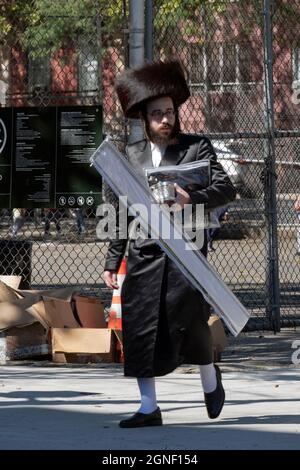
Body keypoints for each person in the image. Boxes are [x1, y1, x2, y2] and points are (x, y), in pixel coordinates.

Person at [103, 60, 237, 428]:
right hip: (144, 253)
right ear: (144, 120)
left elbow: (227, 188)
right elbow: (122, 211)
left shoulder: (197, 148)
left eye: (170, 113)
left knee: (189, 322)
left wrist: (189, 197)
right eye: (157, 114)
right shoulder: (131, 155)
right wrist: (113, 261)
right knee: (139, 325)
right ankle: (149, 408)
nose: (165, 119)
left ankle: (211, 381)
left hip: (186, 253)